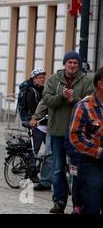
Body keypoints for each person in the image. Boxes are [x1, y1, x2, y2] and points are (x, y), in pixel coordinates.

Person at [43, 50, 93, 214]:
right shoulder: (53, 80)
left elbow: (90, 102)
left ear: (78, 65)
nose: (72, 66)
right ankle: (59, 201)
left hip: (78, 133)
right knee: (58, 168)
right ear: (64, 64)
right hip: (57, 130)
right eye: (70, 62)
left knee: (76, 170)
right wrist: (61, 97)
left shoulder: (86, 81)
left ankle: (78, 205)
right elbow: (47, 100)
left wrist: (74, 101)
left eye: (75, 63)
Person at [69, 67, 103, 215]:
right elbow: (75, 136)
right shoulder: (84, 106)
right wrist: (99, 151)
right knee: (92, 206)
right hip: (92, 163)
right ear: (101, 84)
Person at [29, 99, 54, 192]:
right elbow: (43, 103)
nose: (43, 82)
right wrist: (35, 118)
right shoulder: (54, 86)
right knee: (48, 154)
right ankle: (44, 181)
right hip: (47, 126)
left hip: (65, 126)